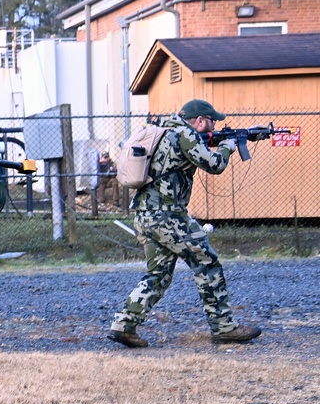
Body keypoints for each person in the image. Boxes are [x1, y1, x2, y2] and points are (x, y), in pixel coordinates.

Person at [108, 99, 261, 348]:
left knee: (158, 274)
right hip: (168, 216)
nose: (214, 125)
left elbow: (187, 151)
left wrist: (226, 138)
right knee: (207, 261)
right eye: (212, 121)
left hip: (145, 215)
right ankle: (224, 327)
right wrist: (227, 147)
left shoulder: (165, 132)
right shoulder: (186, 134)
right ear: (200, 121)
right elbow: (215, 165)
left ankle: (124, 324)